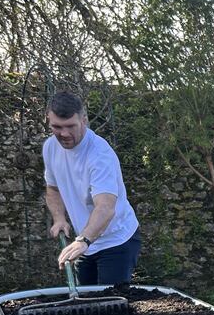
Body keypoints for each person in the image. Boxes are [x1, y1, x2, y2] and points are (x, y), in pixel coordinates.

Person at [43, 91, 141, 284]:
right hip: (86, 242)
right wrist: (59, 218)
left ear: (84, 120)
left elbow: (105, 207)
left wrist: (83, 240)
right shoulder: (50, 147)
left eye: (70, 126)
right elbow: (52, 189)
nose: (63, 134)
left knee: (110, 304)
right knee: (86, 302)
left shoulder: (99, 155)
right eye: (57, 127)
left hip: (116, 241)